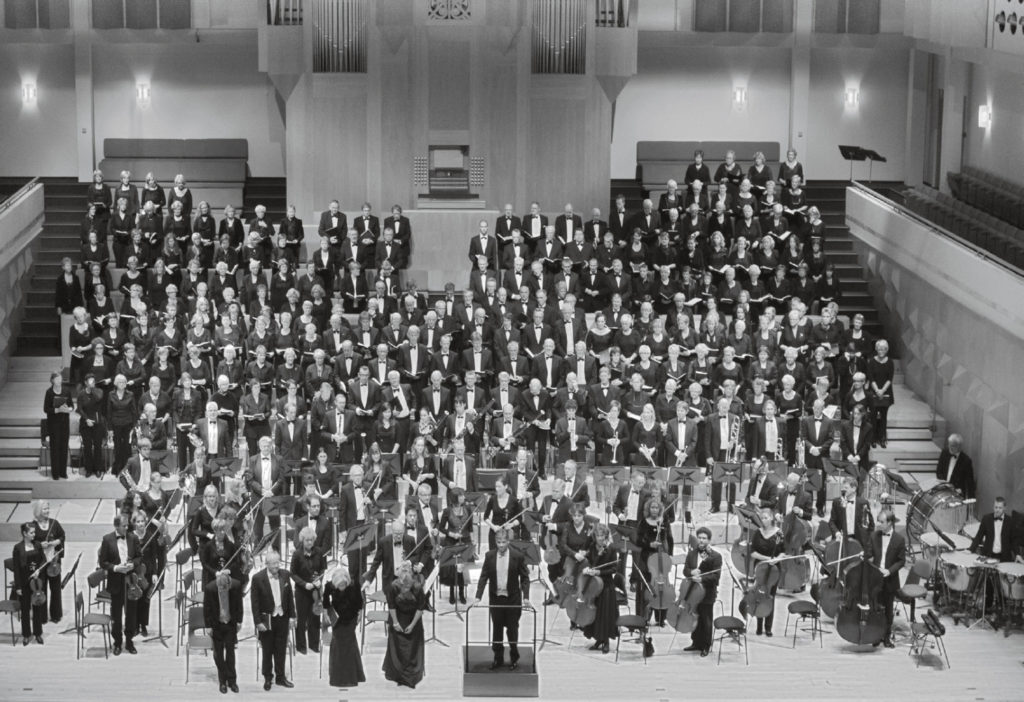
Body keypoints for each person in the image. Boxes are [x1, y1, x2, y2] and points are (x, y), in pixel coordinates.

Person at [471, 528, 532, 670]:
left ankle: (514, 658)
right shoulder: (490, 556)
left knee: (512, 630)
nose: (501, 545)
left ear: (509, 542)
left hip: (512, 599)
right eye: (498, 542)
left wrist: (527, 597)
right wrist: (478, 597)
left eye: (504, 542)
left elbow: (525, 578)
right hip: (496, 599)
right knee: (497, 630)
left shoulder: (517, 556)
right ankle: (497, 658)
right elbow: (484, 576)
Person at [251, 551, 296, 690]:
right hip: (267, 620)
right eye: (273, 563)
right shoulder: (257, 578)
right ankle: (267, 677)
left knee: (281, 649)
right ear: (267, 564)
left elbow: (289, 598)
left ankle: (280, 677)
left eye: (278, 563)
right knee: (267, 650)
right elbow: (255, 603)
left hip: (282, 618)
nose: (277, 566)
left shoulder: (285, 574)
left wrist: (293, 616)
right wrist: (258, 622)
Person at [97, 513, 140, 655]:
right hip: (115, 581)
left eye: (128, 525)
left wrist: (132, 565)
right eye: (124, 525)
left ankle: (129, 641)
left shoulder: (133, 538)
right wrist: (116, 568)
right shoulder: (107, 539)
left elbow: (139, 557)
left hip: (130, 581)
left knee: (132, 613)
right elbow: (103, 562)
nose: (127, 527)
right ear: (116, 526)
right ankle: (117, 642)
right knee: (116, 614)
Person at [383, 561, 427, 688]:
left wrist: (412, 625)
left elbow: (420, 608)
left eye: (407, 586)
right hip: (398, 617)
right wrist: (395, 622)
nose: (405, 588)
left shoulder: (417, 587)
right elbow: (391, 606)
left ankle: (411, 672)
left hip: (413, 618)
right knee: (397, 645)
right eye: (403, 585)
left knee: (412, 646)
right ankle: (398, 673)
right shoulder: (394, 586)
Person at [323, 567, 366, 689]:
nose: (342, 587)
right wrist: (326, 614)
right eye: (339, 585)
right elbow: (325, 602)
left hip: (350, 618)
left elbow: (359, 603)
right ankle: (338, 676)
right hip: (337, 619)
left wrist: (359, 615)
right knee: (338, 644)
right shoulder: (329, 586)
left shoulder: (353, 585)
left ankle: (351, 676)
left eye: (343, 585)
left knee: (349, 644)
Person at [683, 526, 722, 657]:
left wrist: (701, 578)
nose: (701, 540)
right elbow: (686, 570)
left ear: (709, 540)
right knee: (696, 618)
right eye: (699, 537)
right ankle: (696, 643)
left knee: (706, 619)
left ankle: (706, 645)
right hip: (693, 592)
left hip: (707, 593)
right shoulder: (692, 553)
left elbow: (716, 577)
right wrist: (691, 573)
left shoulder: (715, 556)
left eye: (704, 538)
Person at [204, 569, 242, 694]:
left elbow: (239, 605)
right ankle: (222, 681)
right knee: (218, 654)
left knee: (230, 652)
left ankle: (232, 681)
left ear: (229, 584)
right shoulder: (210, 588)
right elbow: (207, 608)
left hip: (230, 624)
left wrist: (239, 621)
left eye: (224, 588)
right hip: (217, 624)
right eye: (220, 588)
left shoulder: (236, 586)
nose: (222, 590)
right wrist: (208, 626)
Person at [290, 525, 328, 654]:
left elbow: (323, 568)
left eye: (312, 540)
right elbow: (293, 573)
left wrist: (319, 580)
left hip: (315, 591)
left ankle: (314, 644)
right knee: (301, 619)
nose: (310, 543)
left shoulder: (319, 552)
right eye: (307, 540)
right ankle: (301, 646)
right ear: (302, 540)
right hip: (302, 591)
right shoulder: (296, 554)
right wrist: (304, 584)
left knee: (315, 617)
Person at [748, 507, 784, 636]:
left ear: (772, 518)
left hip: (774, 569)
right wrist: (767, 559)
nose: (764, 520)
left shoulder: (779, 533)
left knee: (770, 597)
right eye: (762, 518)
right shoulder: (758, 533)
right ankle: (759, 626)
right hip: (760, 568)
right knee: (759, 596)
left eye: (766, 518)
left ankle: (768, 627)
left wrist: (776, 559)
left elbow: (783, 552)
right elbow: (753, 553)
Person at [29, 500, 65, 623]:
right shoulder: (32, 526)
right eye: (44, 509)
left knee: (55, 589)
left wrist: (57, 542)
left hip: (53, 561)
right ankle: (41, 617)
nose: (47, 511)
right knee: (41, 588)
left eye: (48, 508)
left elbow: (62, 536)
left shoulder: (55, 523)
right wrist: (40, 544)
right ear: (39, 511)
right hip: (40, 563)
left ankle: (56, 615)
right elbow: (29, 542)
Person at [12, 522, 47, 645]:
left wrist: (39, 570)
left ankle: (38, 633)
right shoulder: (18, 548)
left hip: (36, 583)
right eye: (31, 532)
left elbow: (44, 560)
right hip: (24, 583)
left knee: (37, 608)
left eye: (34, 532)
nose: (34, 534)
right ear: (24, 534)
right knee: (25, 610)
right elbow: (16, 569)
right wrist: (18, 587)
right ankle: (26, 634)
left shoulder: (37, 545)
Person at [438, 487, 474, 604]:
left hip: (465, 542)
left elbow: (470, 527)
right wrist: (451, 534)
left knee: (462, 569)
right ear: (455, 498)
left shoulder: (468, 509)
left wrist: (472, 541)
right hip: (452, 542)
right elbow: (441, 527)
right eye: (461, 496)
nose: (464, 497)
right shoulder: (447, 511)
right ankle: (452, 592)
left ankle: (461, 593)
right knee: (452, 568)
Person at [43, 372, 73, 480]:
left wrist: (68, 409)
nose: (59, 381)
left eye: (60, 379)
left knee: (64, 447)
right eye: (56, 379)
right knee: (55, 448)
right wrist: (57, 410)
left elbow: (72, 406)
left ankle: (62, 472)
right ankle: (55, 473)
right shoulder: (49, 392)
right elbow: (46, 409)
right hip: (54, 424)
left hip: (65, 423)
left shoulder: (66, 391)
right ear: (52, 381)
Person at [971, 496, 1016, 562]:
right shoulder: (986, 519)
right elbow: (979, 536)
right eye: (996, 507)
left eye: (1000, 508)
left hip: (1004, 557)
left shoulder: (1010, 521)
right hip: (988, 555)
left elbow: (1014, 540)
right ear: (993, 507)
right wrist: (970, 549)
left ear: (1004, 508)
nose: (997, 510)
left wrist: (1017, 554)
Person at [935, 433, 976, 499]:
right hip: (943, 491)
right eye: (949, 444)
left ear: (959, 446)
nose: (950, 447)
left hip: (957, 494)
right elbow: (938, 471)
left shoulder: (966, 461)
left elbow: (969, 483)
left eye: (953, 446)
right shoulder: (944, 453)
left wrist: (971, 500)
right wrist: (944, 484)